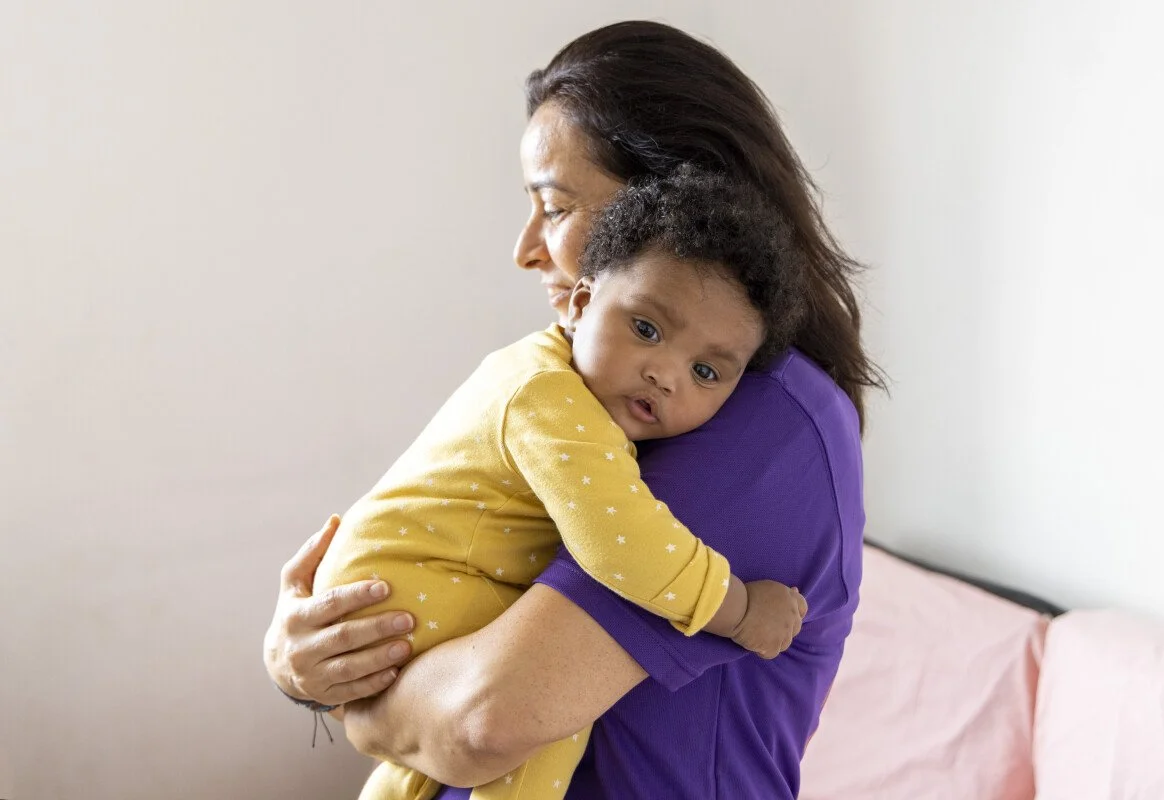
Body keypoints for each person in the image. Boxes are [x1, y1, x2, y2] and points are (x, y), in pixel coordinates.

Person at [264, 20, 880, 798]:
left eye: (554, 208)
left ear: (673, 204)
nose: (526, 249)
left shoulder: (764, 429)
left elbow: (480, 724)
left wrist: (357, 704)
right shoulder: (593, 391)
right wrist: (307, 663)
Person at [315, 168, 808, 800]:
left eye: (706, 370)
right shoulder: (553, 401)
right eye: (647, 330)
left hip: (392, 583)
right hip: (402, 591)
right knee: (542, 713)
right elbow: (622, 544)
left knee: (431, 752)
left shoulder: (542, 376)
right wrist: (739, 611)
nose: (665, 374)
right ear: (580, 303)